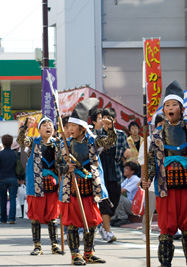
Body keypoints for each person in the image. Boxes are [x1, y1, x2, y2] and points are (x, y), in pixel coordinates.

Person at [143, 81, 187, 267]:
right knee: (166, 229)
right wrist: (146, 179)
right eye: (167, 105)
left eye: (174, 105)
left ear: (181, 108)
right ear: (163, 110)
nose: (170, 108)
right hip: (166, 186)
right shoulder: (156, 134)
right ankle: (165, 264)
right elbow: (151, 160)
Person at [60, 98, 116, 265]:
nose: (69, 129)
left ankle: (89, 253)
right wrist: (66, 168)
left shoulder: (93, 141)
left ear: (82, 128)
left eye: (72, 126)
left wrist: (110, 128)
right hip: (72, 188)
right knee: (72, 224)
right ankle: (75, 255)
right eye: (68, 126)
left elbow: (110, 141)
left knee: (90, 222)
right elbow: (58, 164)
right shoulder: (65, 144)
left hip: (90, 188)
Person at [17, 116, 63, 256]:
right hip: (37, 183)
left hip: (53, 183)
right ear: (39, 129)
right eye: (45, 125)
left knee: (53, 215)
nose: (48, 127)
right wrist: (25, 126)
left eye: (50, 125)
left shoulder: (58, 144)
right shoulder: (33, 142)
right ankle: (37, 245)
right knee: (36, 216)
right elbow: (21, 140)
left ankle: (54, 244)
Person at [97, 108, 130, 243]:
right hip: (100, 171)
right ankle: (108, 231)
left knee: (114, 201)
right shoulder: (97, 134)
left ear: (114, 120)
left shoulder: (121, 134)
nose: (105, 120)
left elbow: (126, 152)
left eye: (109, 118)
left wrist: (127, 154)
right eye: (103, 118)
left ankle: (103, 226)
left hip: (115, 171)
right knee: (104, 201)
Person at [138, 113, 165, 242]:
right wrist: (144, 178)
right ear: (156, 125)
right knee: (150, 208)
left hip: (167, 178)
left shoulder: (171, 137)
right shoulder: (149, 139)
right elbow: (143, 160)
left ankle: (166, 230)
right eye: (161, 125)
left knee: (166, 207)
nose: (163, 127)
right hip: (152, 179)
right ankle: (145, 231)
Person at [0, 134, 19, 224]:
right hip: (13, 178)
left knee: (3, 199)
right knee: (12, 198)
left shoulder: (0, 154)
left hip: (2, 178)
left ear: (3, 143)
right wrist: (20, 178)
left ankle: (3, 219)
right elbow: (18, 167)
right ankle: (12, 218)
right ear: (11, 143)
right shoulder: (15, 154)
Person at [111, 162, 141, 226]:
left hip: (137, 207)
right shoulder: (127, 179)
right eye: (124, 168)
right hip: (132, 205)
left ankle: (123, 218)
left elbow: (121, 191)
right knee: (114, 196)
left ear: (132, 171)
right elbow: (118, 188)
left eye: (127, 168)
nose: (124, 169)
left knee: (118, 196)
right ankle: (115, 218)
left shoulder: (135, 179)